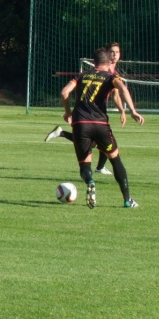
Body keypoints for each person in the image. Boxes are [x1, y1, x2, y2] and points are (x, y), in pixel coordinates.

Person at [60, 47, 144, 209]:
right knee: (115, 160)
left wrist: (68, 112)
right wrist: (132, 111)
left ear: (94, 62)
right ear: (109, 62)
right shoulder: (110, 76)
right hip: (100, 125)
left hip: (80, 124)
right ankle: (127, 200)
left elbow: (64, 92)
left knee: (85, 166)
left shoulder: (81, 75)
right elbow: (123, 89)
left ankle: (90, 181)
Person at [46, 41, 127, 178]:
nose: (114, 55)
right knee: (99, 141)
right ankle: (100, 167)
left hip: (98, 112)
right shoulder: (99, 72)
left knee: (96, 141)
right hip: (89, 113)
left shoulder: (114, 73)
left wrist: (122, 111)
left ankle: (62, 133)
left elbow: (116, 95)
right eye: (112, 52)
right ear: (107, 54)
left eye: (117, 52)